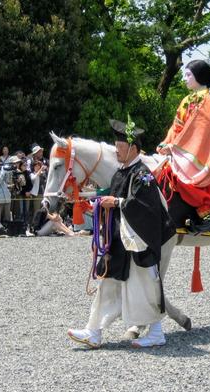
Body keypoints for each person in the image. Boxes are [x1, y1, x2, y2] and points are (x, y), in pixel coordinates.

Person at [67, 119, 176, 349]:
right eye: (116, 145)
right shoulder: (122, 173)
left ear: (134, 149)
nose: (116, 149)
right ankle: (93, 332)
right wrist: (96, 203)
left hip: (138, 243)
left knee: (145, 288)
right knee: (108, 286)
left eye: (120, 145)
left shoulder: (142, 174)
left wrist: (115, 202)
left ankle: (156, 333)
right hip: (120, 242)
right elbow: (115, 203)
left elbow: (146, 208)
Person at [155, 60, 210, 232]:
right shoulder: (186, 99)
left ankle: (208, 213)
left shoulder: (208, 100)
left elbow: (199, 128)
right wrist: (167, 142)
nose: (185, 78)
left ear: (199, 76)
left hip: (204, 144)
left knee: (186, 177)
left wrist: (174, 146)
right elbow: (177, 126)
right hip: (185, 144)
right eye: (185, 75)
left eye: (189, 75)